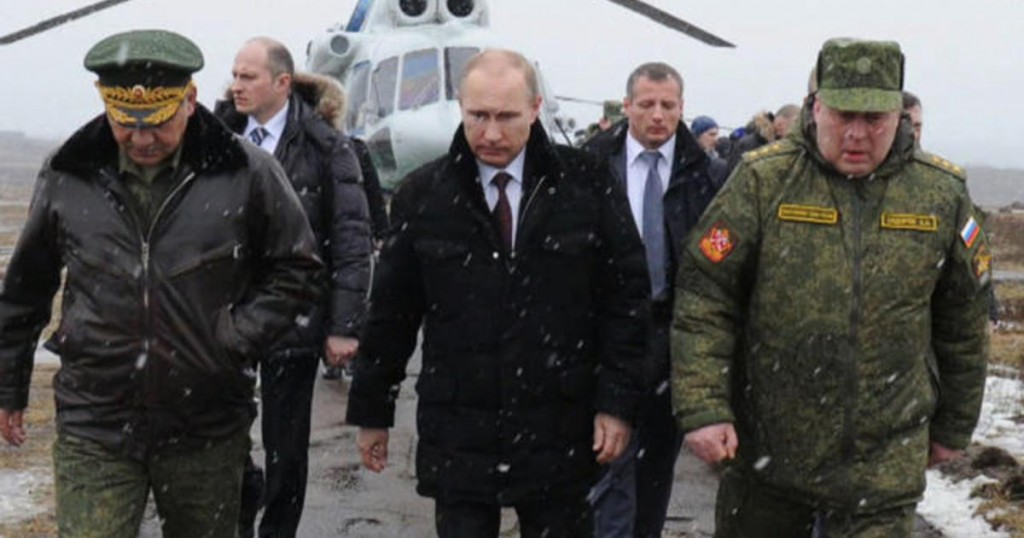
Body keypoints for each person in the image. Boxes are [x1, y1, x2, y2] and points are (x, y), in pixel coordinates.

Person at [0, 29, 323, 538]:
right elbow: (26, 288)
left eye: (157, 122)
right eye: (125, 123)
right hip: (95, 422)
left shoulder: (246, 171)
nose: (142, 139)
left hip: (206, 427)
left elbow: (298, 269)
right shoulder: (68, 173)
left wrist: (234, 338)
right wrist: (9, 385)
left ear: (190, 101)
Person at [672, 38, 990, 537]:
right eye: (843, 116)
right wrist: (704, 407)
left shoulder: (939, 193)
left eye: (874, 119)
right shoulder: (764, 180)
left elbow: (964, 320)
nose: (857, 134)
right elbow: (705, 298)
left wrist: (954, 424)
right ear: (816, 107)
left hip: (883, 464)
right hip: (769, 456)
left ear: (899, 115)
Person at [345, 49, 651, 538]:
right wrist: (372, 412)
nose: (490, 133)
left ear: (535, 108)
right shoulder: (424, 196)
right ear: (460, 108)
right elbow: (391, 316)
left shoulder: (586, 186)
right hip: (459, 428)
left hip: (560, 424)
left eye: (506, 117)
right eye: (478, 116)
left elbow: (626, 302)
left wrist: (616, 403)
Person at [214, 36, 372, 538]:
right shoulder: (215, 139)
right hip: (226, 317)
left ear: (283, 82)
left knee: (287, 446)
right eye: (235, 75)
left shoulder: (327, 146)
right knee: (223, 436)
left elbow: (351, 237)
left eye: (248, 77)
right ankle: (243, 506)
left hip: (294, 314)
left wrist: (345, 325)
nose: (236, 86)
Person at [583, 62, 722, 538]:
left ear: (683, 108)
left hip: (672, 345)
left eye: (668, 105)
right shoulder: (590, 166)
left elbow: (720, 260)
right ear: (627, 106)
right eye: (646, 105)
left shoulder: (708, 176)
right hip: (602, 340)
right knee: (606, 470)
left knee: (655, 473)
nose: (658, 115)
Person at [724, 103, 800, 175]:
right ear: (780, 124)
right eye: (792, 128)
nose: (794, 133)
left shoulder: (778, 147)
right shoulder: (749, 145)